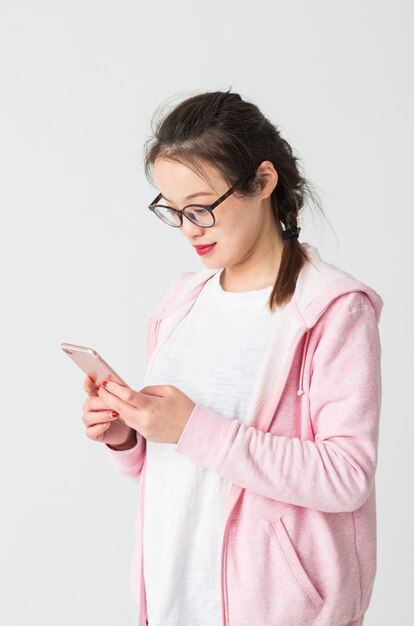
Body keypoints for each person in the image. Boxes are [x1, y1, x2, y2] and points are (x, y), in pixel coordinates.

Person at [81, 90, 383, 626]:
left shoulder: (330, 309)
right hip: (173, 600)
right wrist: (128, 438)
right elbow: (189, 468)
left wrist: (194, 426)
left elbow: (345, 476)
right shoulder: (183, 300)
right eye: (172, 211)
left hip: (279, 612)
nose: (188, 228)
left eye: (200, 207)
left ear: (263, 182)